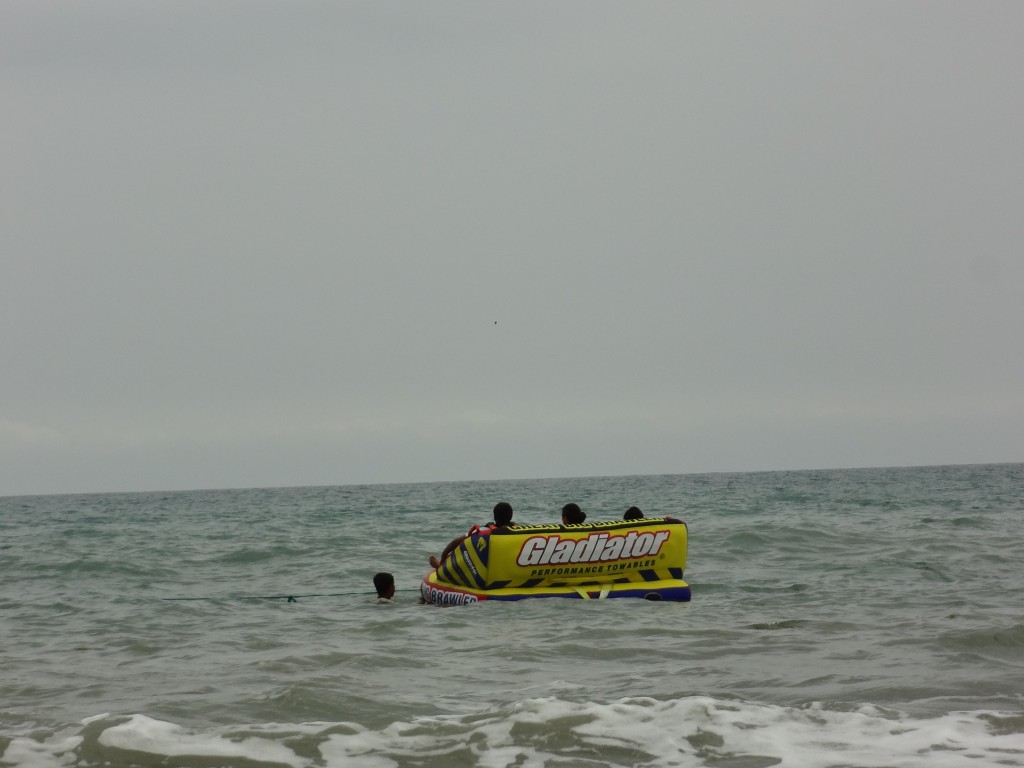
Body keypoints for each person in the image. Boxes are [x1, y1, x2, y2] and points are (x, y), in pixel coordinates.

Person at [429, 502, 514, 569]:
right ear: (511, 516)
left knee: (465, 550)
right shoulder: (519, 531)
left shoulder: (486, 531)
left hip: (487, 568)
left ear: (494, 517)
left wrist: (444, 555)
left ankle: (441, 565)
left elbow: (455, 542)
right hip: (511, 565)